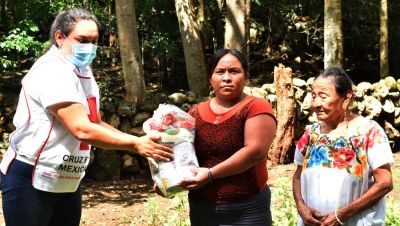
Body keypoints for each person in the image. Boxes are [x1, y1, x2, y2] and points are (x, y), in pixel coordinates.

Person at [0, 8, 172, 226]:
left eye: (94, 41)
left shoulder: (82, 69)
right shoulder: (52, 70)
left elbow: (96, 123)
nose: (90, 47)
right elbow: (81, 129)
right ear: (60, 37)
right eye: (82, 40)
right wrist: (136, 143)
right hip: (32, 176)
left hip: (67, 179)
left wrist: (139, 142)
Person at [179, 49, 277, 226]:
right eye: (219, 72)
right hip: (202, 208)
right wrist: (168, 179)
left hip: (247, 210)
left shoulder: (256, 107)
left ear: (246, 76)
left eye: (234, 71)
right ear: (210, 78)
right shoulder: (194, 112)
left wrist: (210, 174)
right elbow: (181, 150)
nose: (226, 77)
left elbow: (255, 152)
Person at [292, 67, 394, 226]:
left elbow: (385, 183)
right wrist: (301, 206)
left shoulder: (369, 132)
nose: (316, 103)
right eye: (313, 96)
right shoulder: (311, 134)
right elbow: (298, 176)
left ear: (346, 98)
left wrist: (342, 214)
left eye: (323, 96)